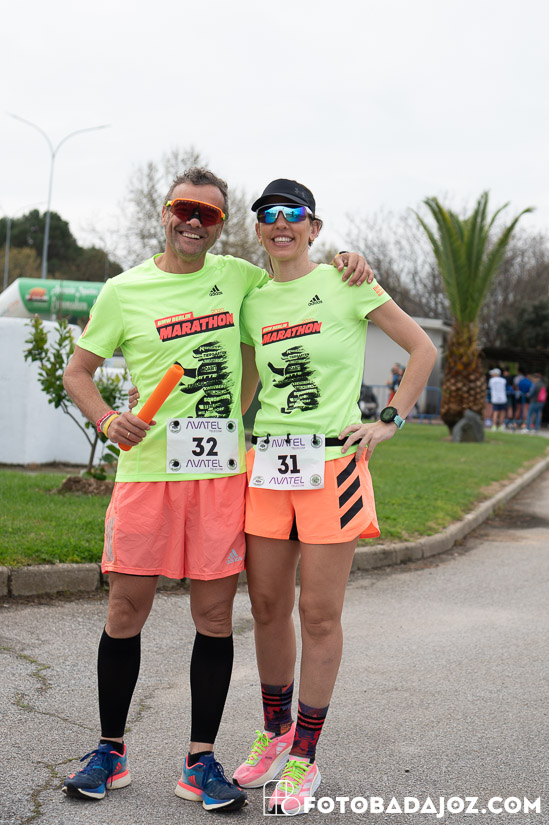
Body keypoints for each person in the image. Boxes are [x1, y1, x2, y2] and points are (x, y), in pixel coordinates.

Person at [61, 167, 373, 811]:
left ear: (222, 225)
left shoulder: (240, 278)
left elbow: (297, 271)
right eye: (185, 208)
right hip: (147, 475)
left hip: (220, 478)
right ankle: (109, 752)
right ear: (166, 213)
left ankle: (200, 761)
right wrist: (107, 419)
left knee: (213, 618)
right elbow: (78, 372)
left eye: (209, 213)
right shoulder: (123, 290)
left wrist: (349, 258)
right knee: (125, 610)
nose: (194, 221)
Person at [231, 179, 437, 815]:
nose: (281, 223)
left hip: (332, 468)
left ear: (313, 228)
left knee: (318, 614)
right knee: (267, 607)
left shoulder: (347, 281)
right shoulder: (251, 299)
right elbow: (245, 385)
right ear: (257, 227)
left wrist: (390, 419)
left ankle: (305, 755)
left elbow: (422, 348)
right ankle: (275, 732)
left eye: (294, 214)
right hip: (267, 465)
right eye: (269, 214)